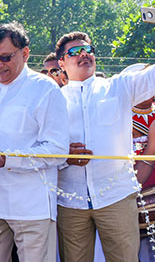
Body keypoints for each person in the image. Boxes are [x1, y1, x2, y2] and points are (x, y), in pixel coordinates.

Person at [0, 22, 69, 262]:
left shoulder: (45, 90)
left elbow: (58, 150)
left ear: (25, 53)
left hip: (31, 206)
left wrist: (6, 160)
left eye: (6, 57)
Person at [56, 31, 155, 262]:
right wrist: (64, 156)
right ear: (62, 62)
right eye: (74, 52)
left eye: (88, 50)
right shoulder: (53, 99)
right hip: (70, 200)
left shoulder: (118, 87)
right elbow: (39, 146)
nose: (83, 55)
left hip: (117, 196)